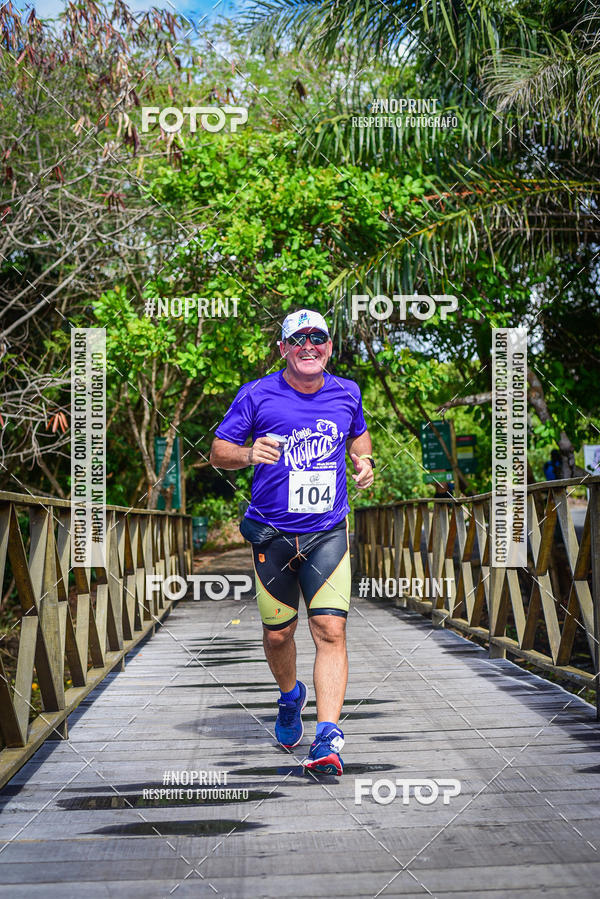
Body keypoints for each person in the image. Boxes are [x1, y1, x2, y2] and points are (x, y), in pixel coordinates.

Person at [209, 309, 374, 775]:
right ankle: (289, 696)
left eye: (317, 338)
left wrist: (365, 462)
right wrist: (246, 453)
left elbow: (358, 439)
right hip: (272, 534)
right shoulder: (257, 394)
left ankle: (327, 737)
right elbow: (219, 451)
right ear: (283, 348)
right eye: (297, 339)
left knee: (330, 630)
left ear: (328, 346)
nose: (308, 346)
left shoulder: (347, 392)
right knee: (278, 633)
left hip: (327, 532)